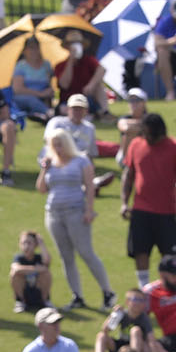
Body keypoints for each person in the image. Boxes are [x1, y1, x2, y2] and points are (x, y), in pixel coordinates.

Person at [41, 129, 113, 313]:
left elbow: (90, 186)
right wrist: (44, 170)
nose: (57, 148)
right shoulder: (50, 163)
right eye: (54, 145)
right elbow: (41, 188)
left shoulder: (81, 161)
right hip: (54, 213)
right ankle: (77, 295)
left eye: (60, 144)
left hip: (75, 211)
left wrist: (89, 210)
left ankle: (107, 292)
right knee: (66, 256)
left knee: (86, 252)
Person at [120, 112, 176, 282]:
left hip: (167, 211)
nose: (150, 139)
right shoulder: (136, 144)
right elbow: (128, 175)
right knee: (140, 251)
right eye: (147, 134)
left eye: (153, 135)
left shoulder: (175, 147)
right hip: (141, 209)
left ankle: (168, 287)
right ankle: (144, 286)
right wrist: (124, 202)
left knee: (169, 254)